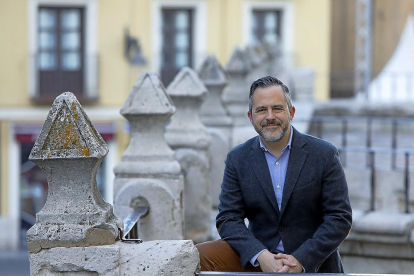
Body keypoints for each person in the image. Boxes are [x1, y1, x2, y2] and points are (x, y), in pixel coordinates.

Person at [196, 76, 352, 273]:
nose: (270, 116)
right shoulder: (238, 158)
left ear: (291, 112)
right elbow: (228, 218)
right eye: (261, 110)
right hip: (259, 261)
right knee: (193, 255)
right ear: (250, 117)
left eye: (277, 108)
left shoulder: (323, 154)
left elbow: (340, 217)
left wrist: (301, 260)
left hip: (311, 266)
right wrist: (260, 255)